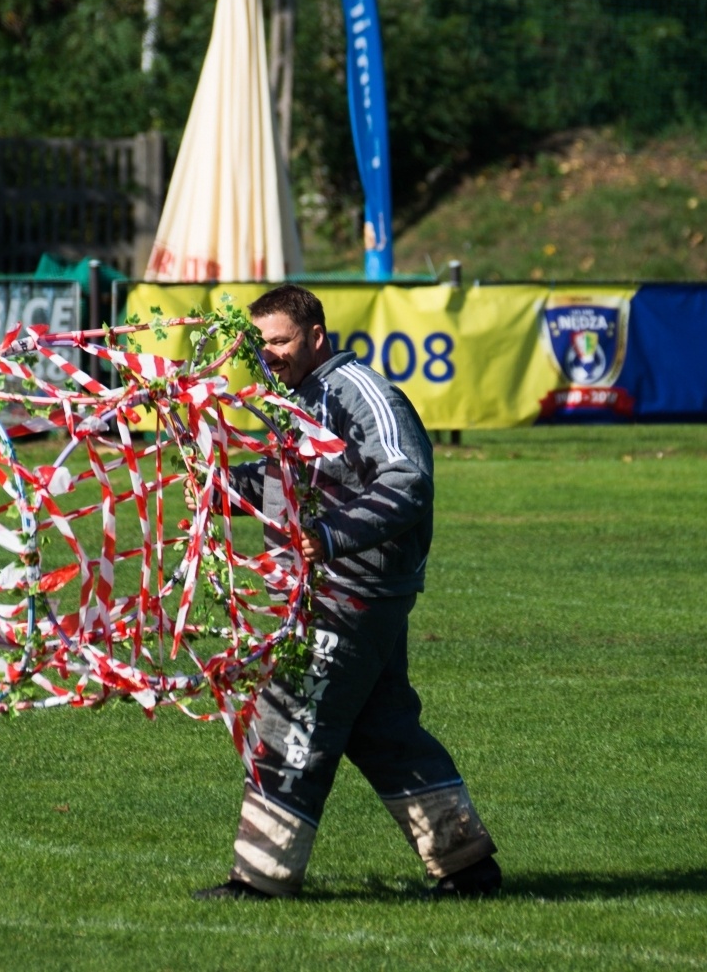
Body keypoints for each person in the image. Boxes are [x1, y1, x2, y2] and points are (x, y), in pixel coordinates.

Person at [193, 284, 500, 901]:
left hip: (352, 589)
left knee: (292, 716)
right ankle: (466, 865)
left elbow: (408, 481)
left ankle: (262, 878)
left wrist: (331, 538)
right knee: (383, 729)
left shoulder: (362, 393)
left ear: (316, 336)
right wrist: (214, 488)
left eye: (279, 340)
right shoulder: (300, 399)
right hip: (335, 586)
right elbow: (291, 484)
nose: (269, 354)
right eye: (260, 344)